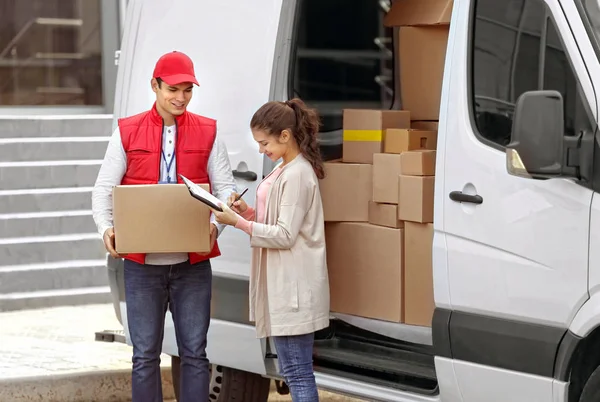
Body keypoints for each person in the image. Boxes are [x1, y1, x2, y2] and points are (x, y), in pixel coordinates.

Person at [91, 50, 236, 402]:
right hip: (142, 266)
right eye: (173, 89)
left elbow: (226, 189)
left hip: (193, 263)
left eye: (188, 89)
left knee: (196, 355)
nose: (181, 97)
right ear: (154, 86)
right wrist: (106, 229)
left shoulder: (209, 131)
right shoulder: (126, 132)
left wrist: (217, 228)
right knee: (144, 358)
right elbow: (102, 189)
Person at [212, 98, 330, 401]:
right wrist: (248, 213)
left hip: (293, 289)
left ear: (285, 136)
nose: (261, 150)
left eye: (264, 143)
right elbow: (278, 221)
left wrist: (237, 222)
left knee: (298, 374)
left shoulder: (297, 174)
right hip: (286, 286)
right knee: (296, 371)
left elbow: (285, 234)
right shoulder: (285, 168)